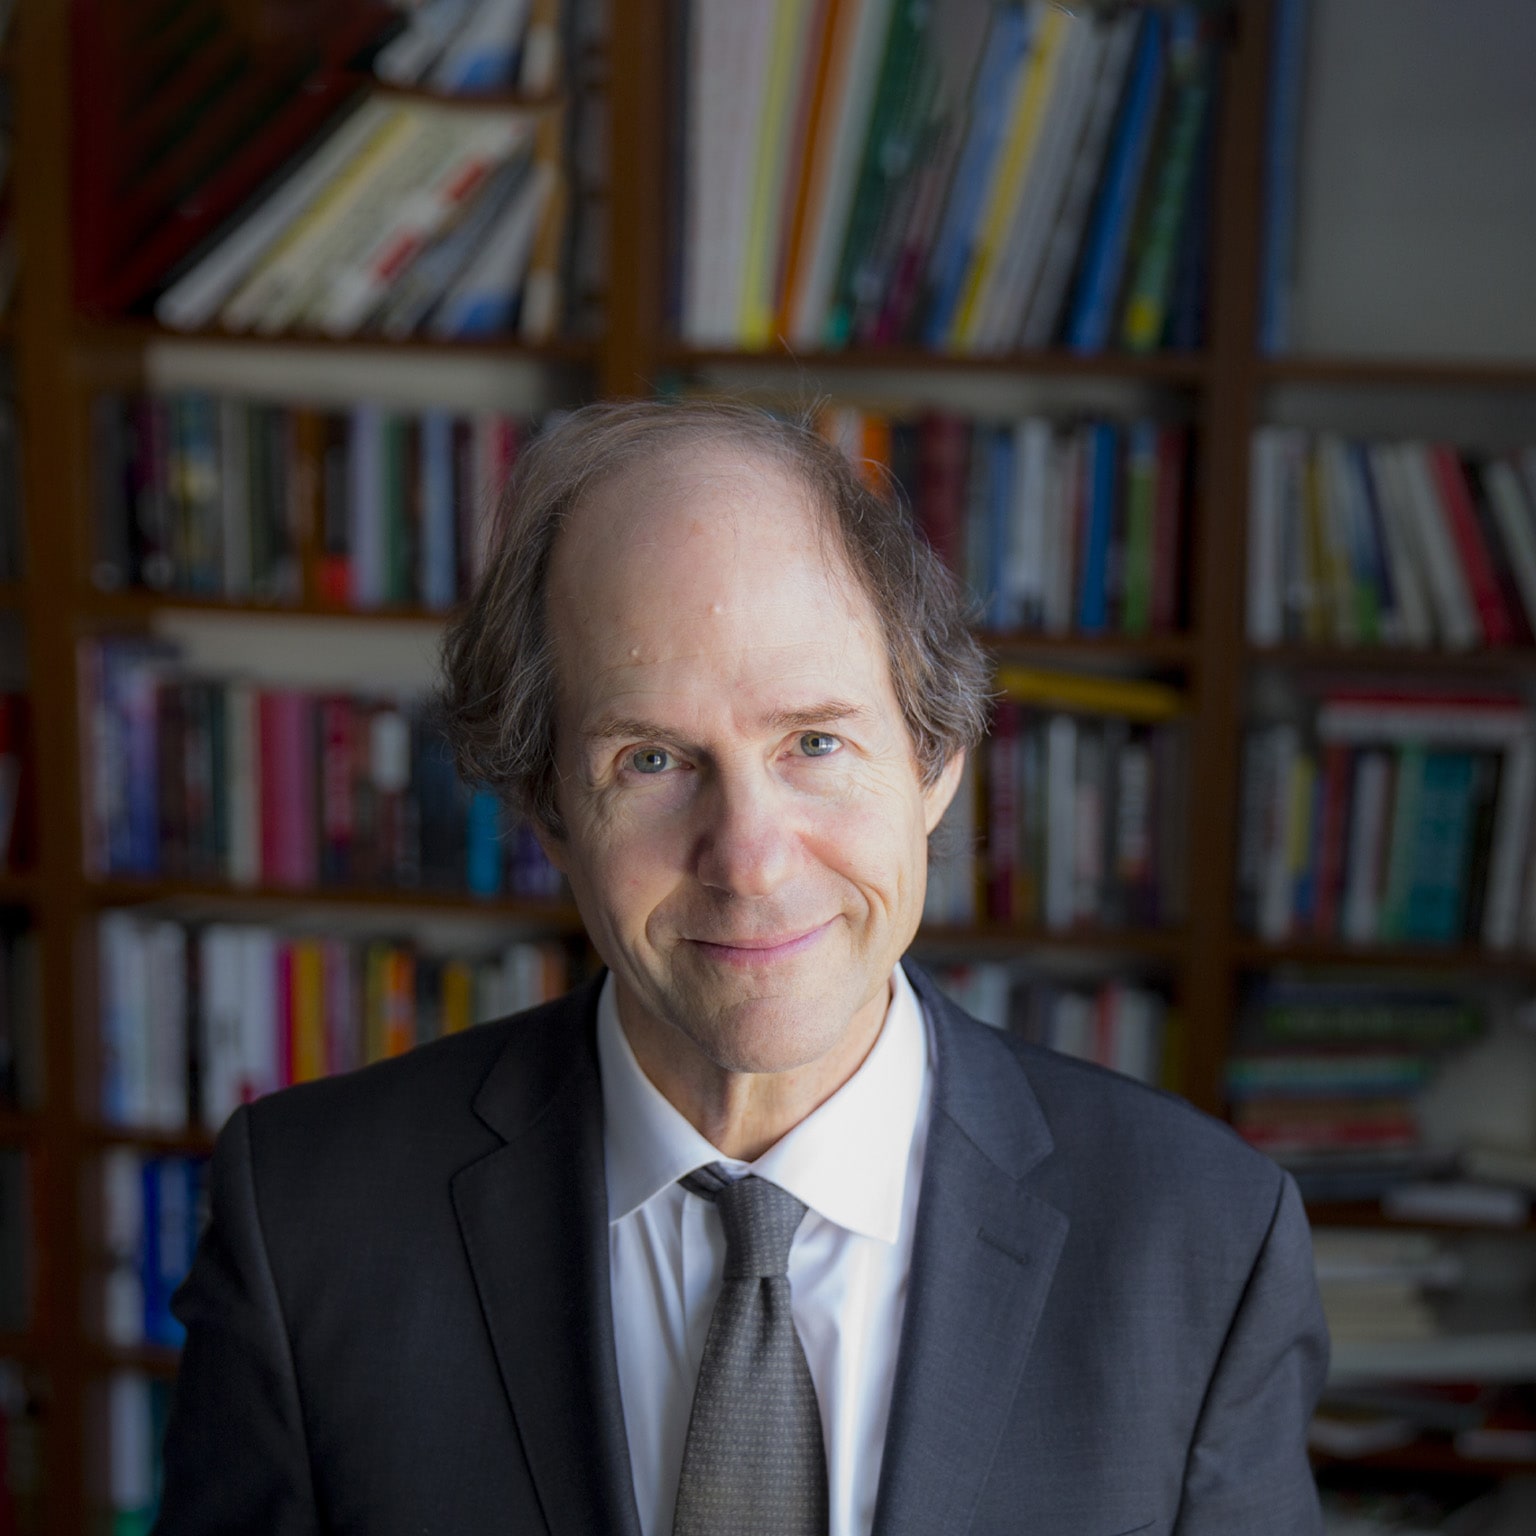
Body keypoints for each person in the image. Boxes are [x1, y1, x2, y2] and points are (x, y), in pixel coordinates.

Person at [154, 399, 1329, 1536]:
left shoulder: (1202, 1239)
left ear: (936, 762)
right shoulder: (305, 1217)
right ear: (551, 810)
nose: (751, 861)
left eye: (815, 742)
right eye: (653, 758)